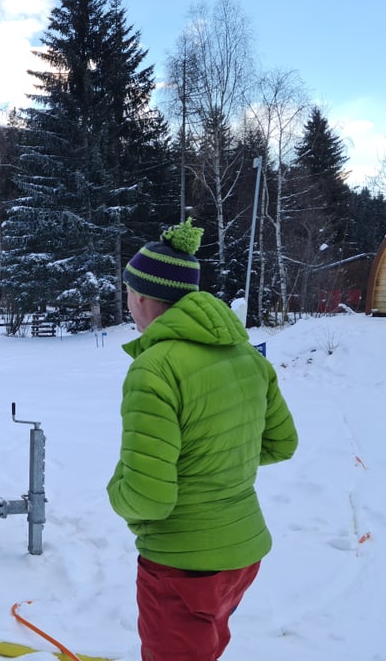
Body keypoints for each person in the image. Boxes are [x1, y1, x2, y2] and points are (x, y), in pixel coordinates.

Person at [107, 218, 298, 661]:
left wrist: (116, 493)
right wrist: (218, 464)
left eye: (128, 295)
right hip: (242, 555)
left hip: (182, 564)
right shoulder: (247, 355)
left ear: (140, 296)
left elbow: (146, 497)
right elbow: (280, 443)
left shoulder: (154, 368)